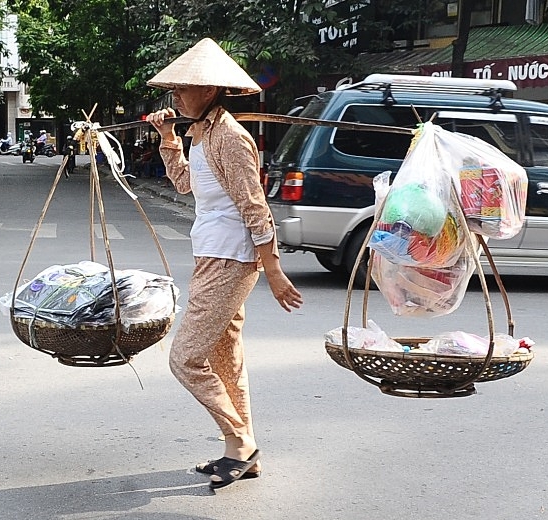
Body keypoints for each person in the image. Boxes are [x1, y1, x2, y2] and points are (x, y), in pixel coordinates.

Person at [145, 38, 303, 490]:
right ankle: (244, 449)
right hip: (210, 252)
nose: (175, 97)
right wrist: (168, 140)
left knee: (185, 357)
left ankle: (238, 441)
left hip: (232, 256)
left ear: (210, 90)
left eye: (183, 89)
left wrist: (272, 269)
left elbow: (255, 207)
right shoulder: (202, 133)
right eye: (173, 90)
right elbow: (184, 186)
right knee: (224, 354)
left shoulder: (231, 137)